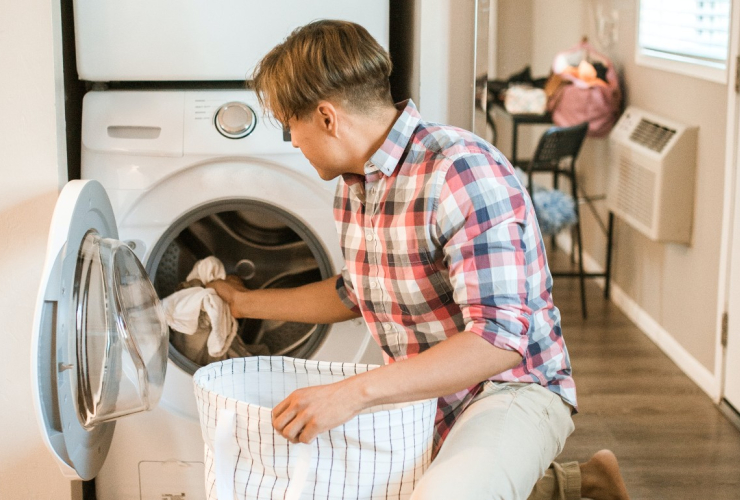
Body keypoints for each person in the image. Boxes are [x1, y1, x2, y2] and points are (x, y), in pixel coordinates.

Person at [208, 19, 629, 500]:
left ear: (326, 117)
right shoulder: (354, 189)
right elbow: (356, 293)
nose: (294, 141)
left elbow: (498, 341)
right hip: (427, 396)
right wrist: (243, 304)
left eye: (291, 125)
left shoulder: (460, 170)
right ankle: (583, 483)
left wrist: (352, 394)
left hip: (510, 388)